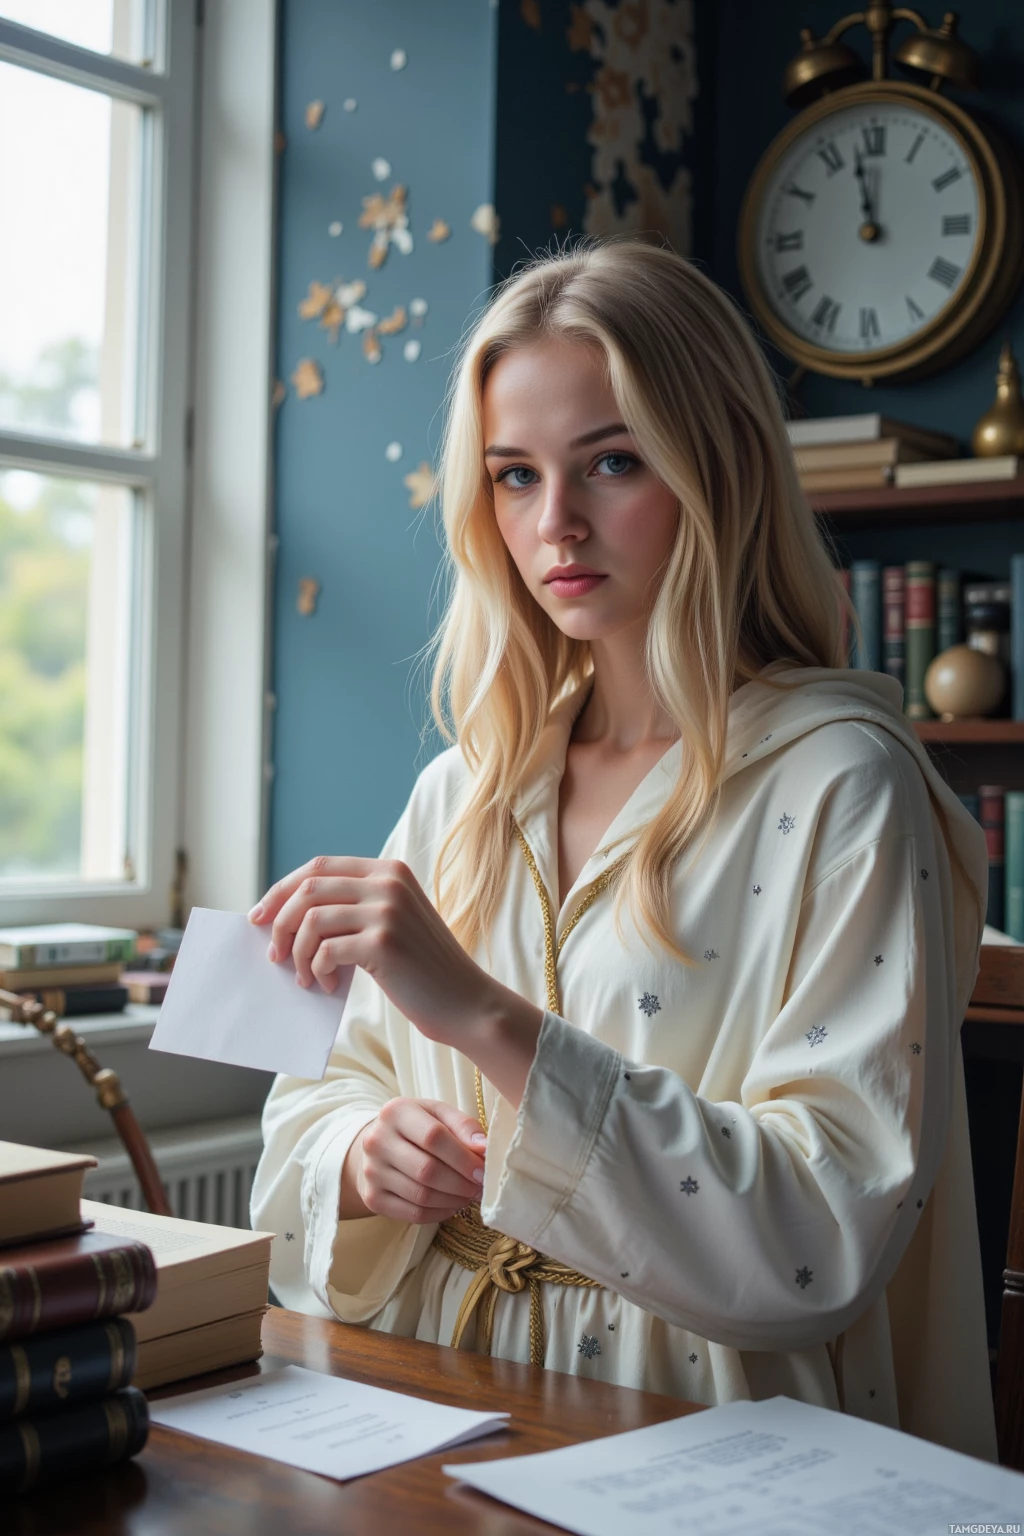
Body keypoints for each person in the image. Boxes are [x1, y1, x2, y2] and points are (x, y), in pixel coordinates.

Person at [250, 238, 994, 1459]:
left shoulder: (842, 787)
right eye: (511, 475)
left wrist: (486, 1021)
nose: (557, 525)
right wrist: (361, 1153)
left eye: (611, 460)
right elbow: (321, 1097)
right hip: (434, 1409)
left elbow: (823, 1224)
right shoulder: (466, 790)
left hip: (706, 1434)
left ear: (717, 467)